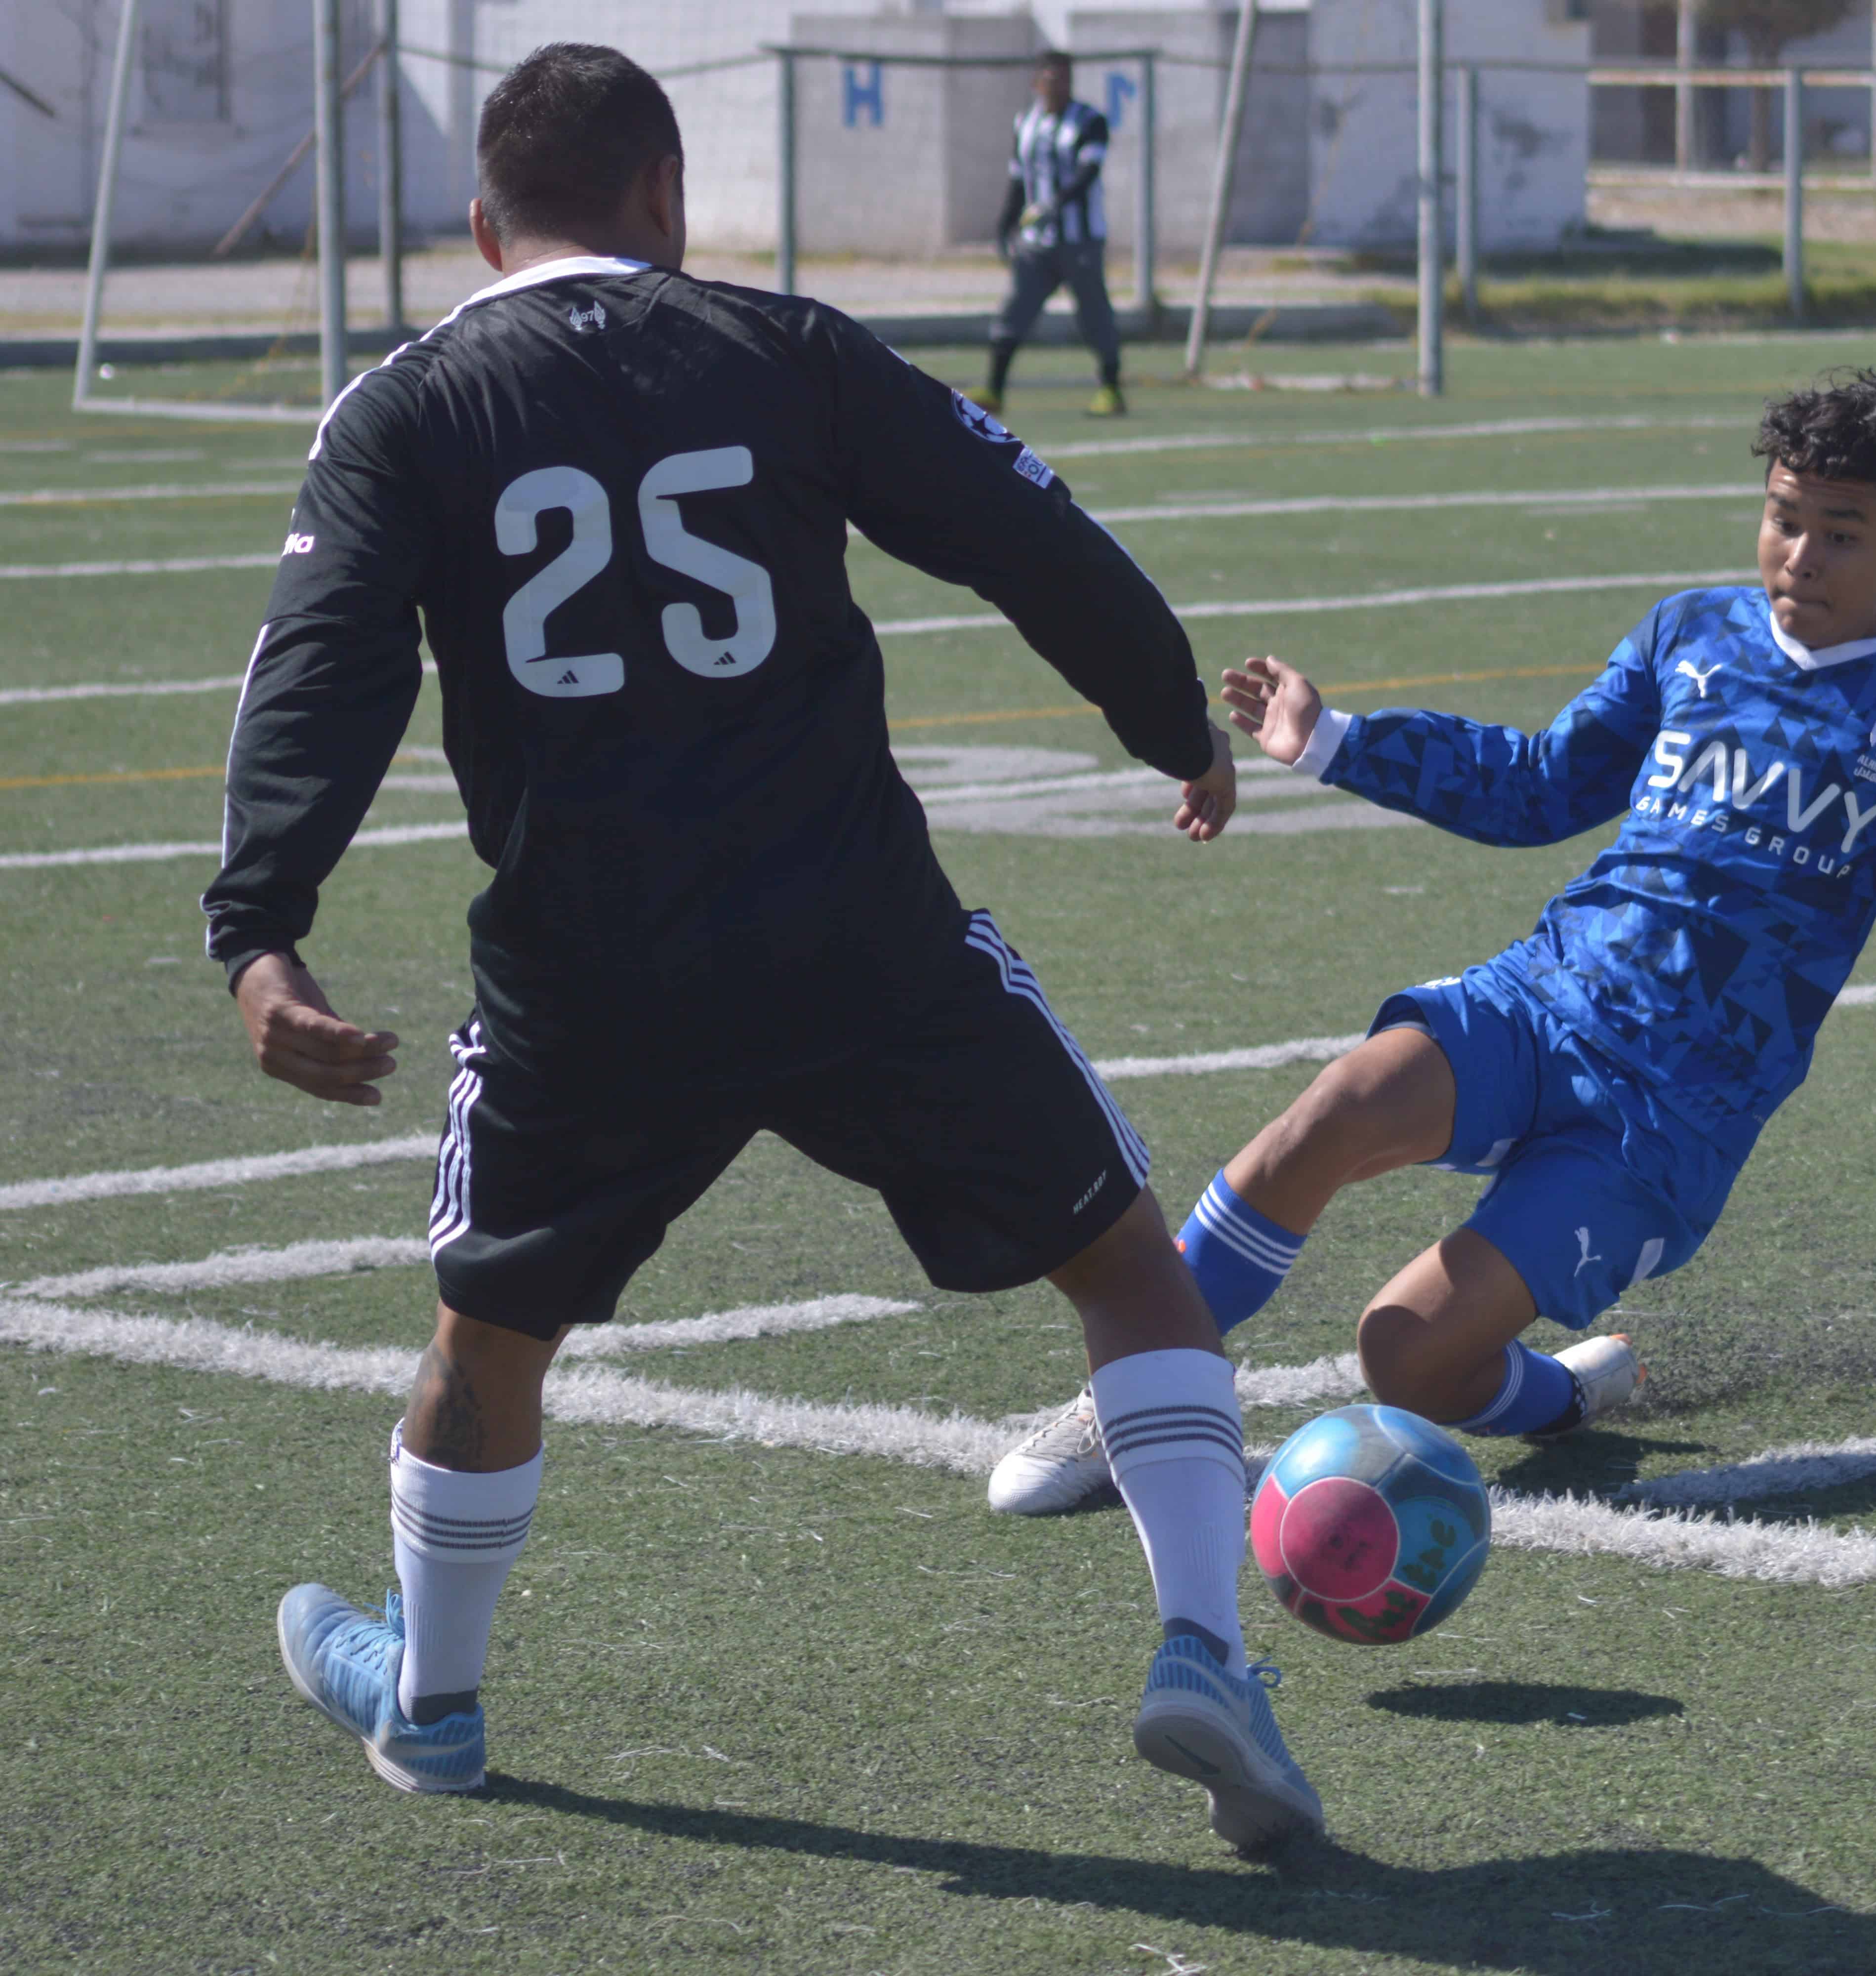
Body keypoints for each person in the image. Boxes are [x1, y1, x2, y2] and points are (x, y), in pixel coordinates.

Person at [208, 42, 1320, 1853]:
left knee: (488, 1333)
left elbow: (320, 671)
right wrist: (1165, 720)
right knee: (1127, 1266)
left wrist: (262, 931)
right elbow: (1022, 533)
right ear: (667, 200)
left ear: (483, 226)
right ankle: (1201, 1645)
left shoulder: (406, 405)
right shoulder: (788, 350)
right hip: (851, 935)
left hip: (587, 973)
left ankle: (433, 1702)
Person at [988, 370, 1876, 1517]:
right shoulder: (1692, 632)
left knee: (1401, 1354)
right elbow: (1538, 785)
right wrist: (1337, 742)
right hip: (1543, 1001)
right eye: (1784, 517)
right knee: (1327, 1116)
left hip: (1669, 1117)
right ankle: (1129, 1404)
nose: (1801, 556)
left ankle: (1557, 1397)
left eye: (1842, 533)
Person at [973, 51, 1124, 420]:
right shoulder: (1026, 123)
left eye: (1063, 78)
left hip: (1080, 241)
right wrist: (1005, 225)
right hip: (1037, 245)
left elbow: (1089, 171)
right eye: (1049, 78)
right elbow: (1017, 178)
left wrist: (1054, 204)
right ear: (1036, 82)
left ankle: (1111, 389)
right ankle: (994, 390)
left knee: (1094, 316)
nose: (1056, 85)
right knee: (1014, 311)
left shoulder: (1090, 121)